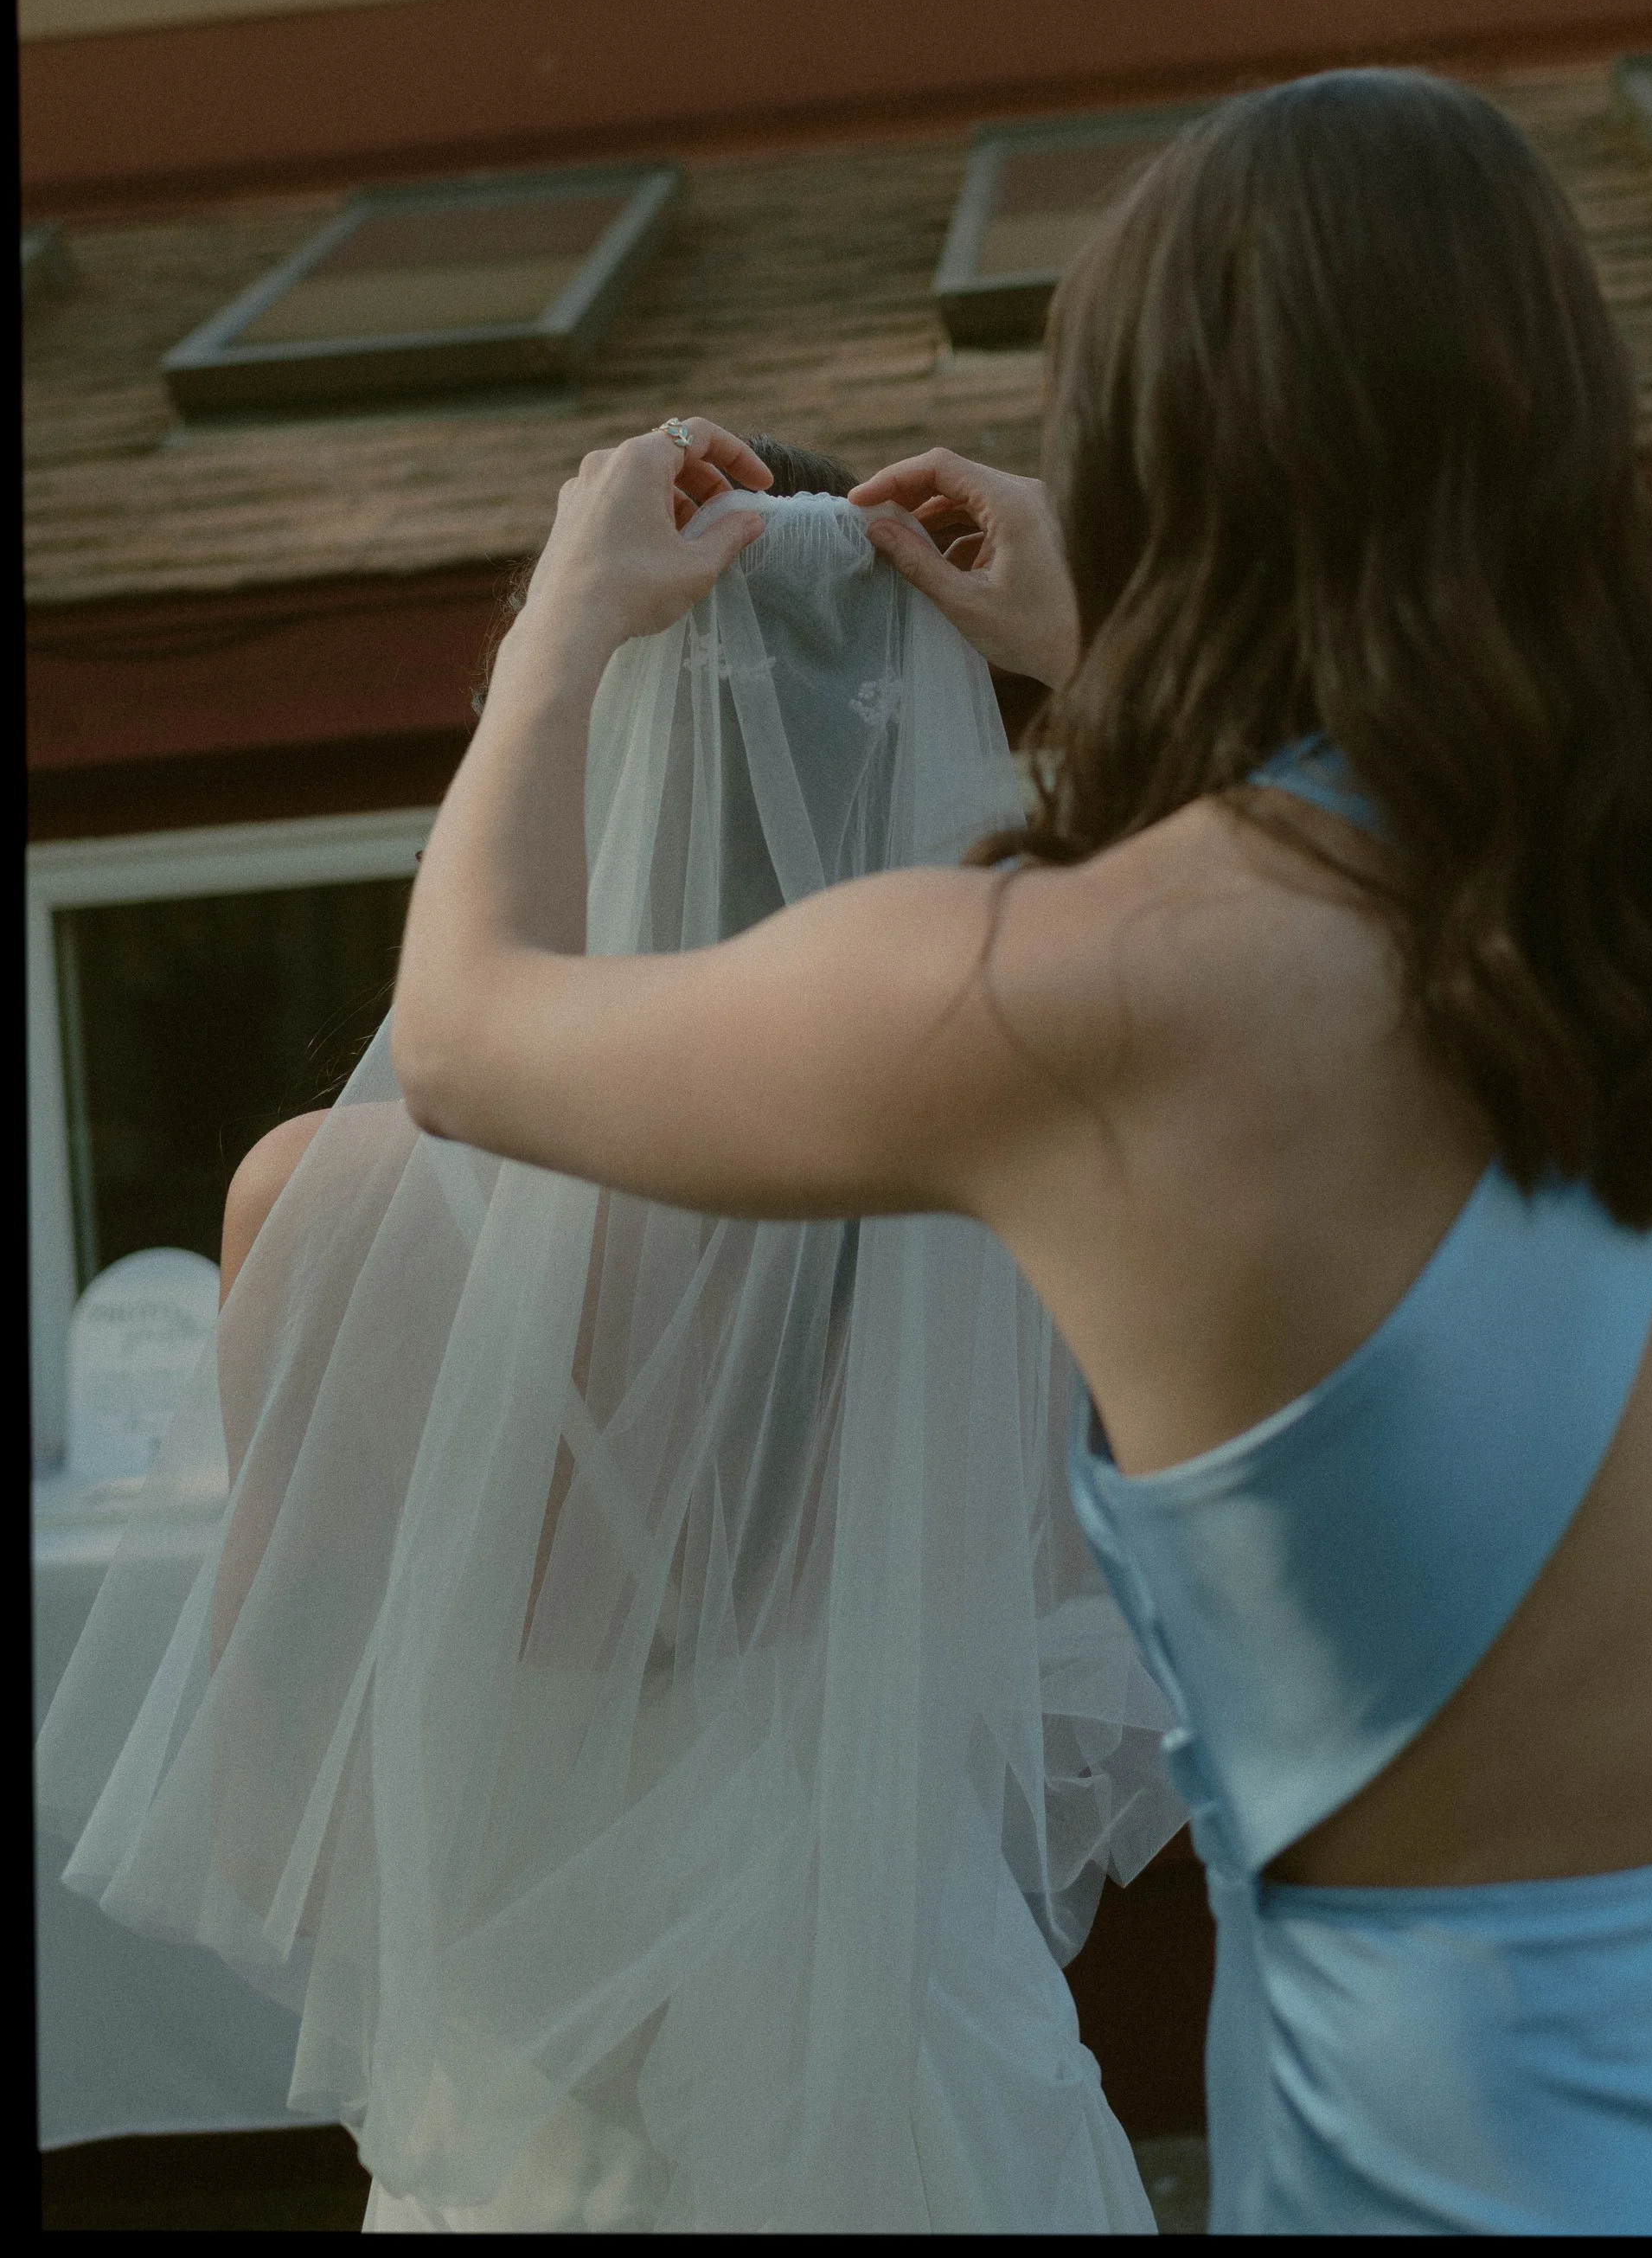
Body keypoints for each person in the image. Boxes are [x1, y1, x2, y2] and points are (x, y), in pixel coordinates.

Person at [384, 69, 1652, 2236]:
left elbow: (465, 1033)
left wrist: (561, 622)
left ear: (1160, 463)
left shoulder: (1079, 998)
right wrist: (1102, 631)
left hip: (1516, 2162)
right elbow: (1406, 813)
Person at [39, 433, 1179, 2235]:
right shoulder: (1017, 1209)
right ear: (931, 777)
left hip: (539, 2164)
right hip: (944, 2123)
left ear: (570, 734)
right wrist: (1112, 659)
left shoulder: (335, 1208)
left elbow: (275, 1836)